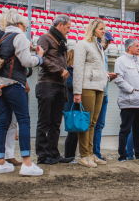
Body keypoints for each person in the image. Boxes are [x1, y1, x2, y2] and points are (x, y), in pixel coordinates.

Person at [0, 10, 43, 176]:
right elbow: (26, 61)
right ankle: (27, 163)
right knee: (24, 120)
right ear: (20, 24)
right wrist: (39, 58)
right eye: (25, 27)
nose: (25, 29)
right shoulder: (19, 37)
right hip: (14, 83)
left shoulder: (1, 38)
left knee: (3, 122)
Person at [36, 14, 73, 165]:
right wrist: (59, 70)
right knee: (44, 122)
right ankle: (43, 156)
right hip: (47, 84)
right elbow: (41, 58)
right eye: (68, 27)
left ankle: (54, 154)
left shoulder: (60, 41)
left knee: (56, 123)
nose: (69, 30)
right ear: (60, 25)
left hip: (59, 86)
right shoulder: (45, 38)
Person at [73, 19, 109, 168]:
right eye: (101, 29)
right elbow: (78, 68)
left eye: (104, 29)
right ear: (93, 29)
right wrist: (77, 92)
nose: (103, 31)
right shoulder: (82, 44)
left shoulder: (99, 47)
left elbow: (99, 68)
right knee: (85, 122)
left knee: (93, 123)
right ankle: (84, 155)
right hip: (87, 87)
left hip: (99, 87)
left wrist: (106, 78)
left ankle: (90, 153)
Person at [0, 15, 20, 169]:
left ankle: (8, 154)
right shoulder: (0, 37)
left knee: (12, 122)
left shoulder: (12, 37)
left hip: (12, 83)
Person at [114, 39, 139, 162]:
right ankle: (122, 156)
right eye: (137, 46)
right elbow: (119, 79)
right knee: (125, 130)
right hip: (129, 102)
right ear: (129, 47)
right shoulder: (120, 60)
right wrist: (131, 90)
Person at [93, 31, 117, 161]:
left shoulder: (105, 54)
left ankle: (96, 152)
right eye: (106, 41)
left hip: (104, 93)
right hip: (96, 92)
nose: (107, 44)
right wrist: (106, 75)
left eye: (109, 42)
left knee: (100, 125)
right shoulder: (95, 53)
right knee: (94, 124)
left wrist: (109, 76)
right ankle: (93, 153)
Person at [64, 49, 78, 162]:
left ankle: (71, 156)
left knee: (75, 132)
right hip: (70, 104)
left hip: (75, 104)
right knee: (72, 132)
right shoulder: (68, 70)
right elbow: (70, 84)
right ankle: (68, 156)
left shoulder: (73, 71)